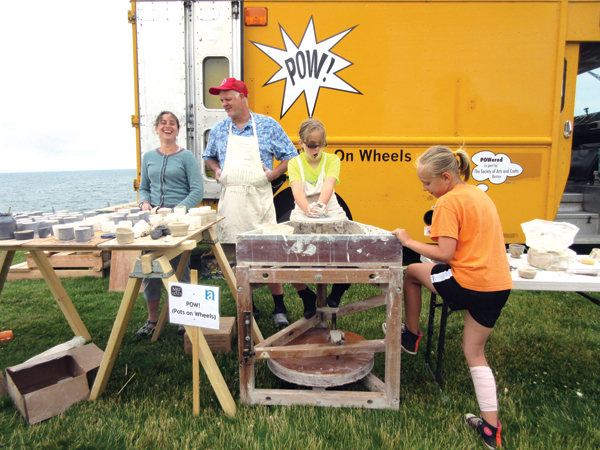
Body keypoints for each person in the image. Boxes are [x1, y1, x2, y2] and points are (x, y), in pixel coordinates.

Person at [391, 145, 512, 449]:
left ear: (445, 178)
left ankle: (411, 335)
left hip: (468, 282)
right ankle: (490, 427)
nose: (425, 189)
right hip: (497, 285)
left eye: (427, 183)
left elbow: (445, 253)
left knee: (412, 273)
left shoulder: (447, 203)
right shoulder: (479, 195)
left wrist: (408, 241)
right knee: (475, 354)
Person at [203, 78, 298, 328]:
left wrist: (275, 174)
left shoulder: (267, 126)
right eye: (221, 100)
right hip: (232, 204)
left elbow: (291, 156)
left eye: (228, 99)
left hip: (258, 201)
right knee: (236, 259)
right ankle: (248, 305)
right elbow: (208, 157)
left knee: (268, 257)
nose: (224, 104)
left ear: (242, 97)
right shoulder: (220, 130)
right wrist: (216, 170)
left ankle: (279, 306)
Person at [135, 111, 204, 337]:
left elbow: (197, 190)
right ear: (156, 128)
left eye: (172, 123)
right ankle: (152, 320)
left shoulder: (186, 157)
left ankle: (184, 318)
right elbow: (144, 186)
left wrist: (177, 211)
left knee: (179, 268)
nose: (167, 126)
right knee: (150, 269)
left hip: (179, 221)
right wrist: (144, 202)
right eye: (163, 123)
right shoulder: (148, 157)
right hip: (153, 221)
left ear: (177, 129)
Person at [288, 119, 351, 318]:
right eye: (312, 145)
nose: (316, 149)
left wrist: (321, 205)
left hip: (329, 205)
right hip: (303, 207)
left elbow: (328, 186)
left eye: (321, 144)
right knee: (289, 255)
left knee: (347, 249)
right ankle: (305, 294)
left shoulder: (332, 159)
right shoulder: (294, 163)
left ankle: (337, 292)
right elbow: (297, 191)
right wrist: (308, 209)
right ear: (301, 143)